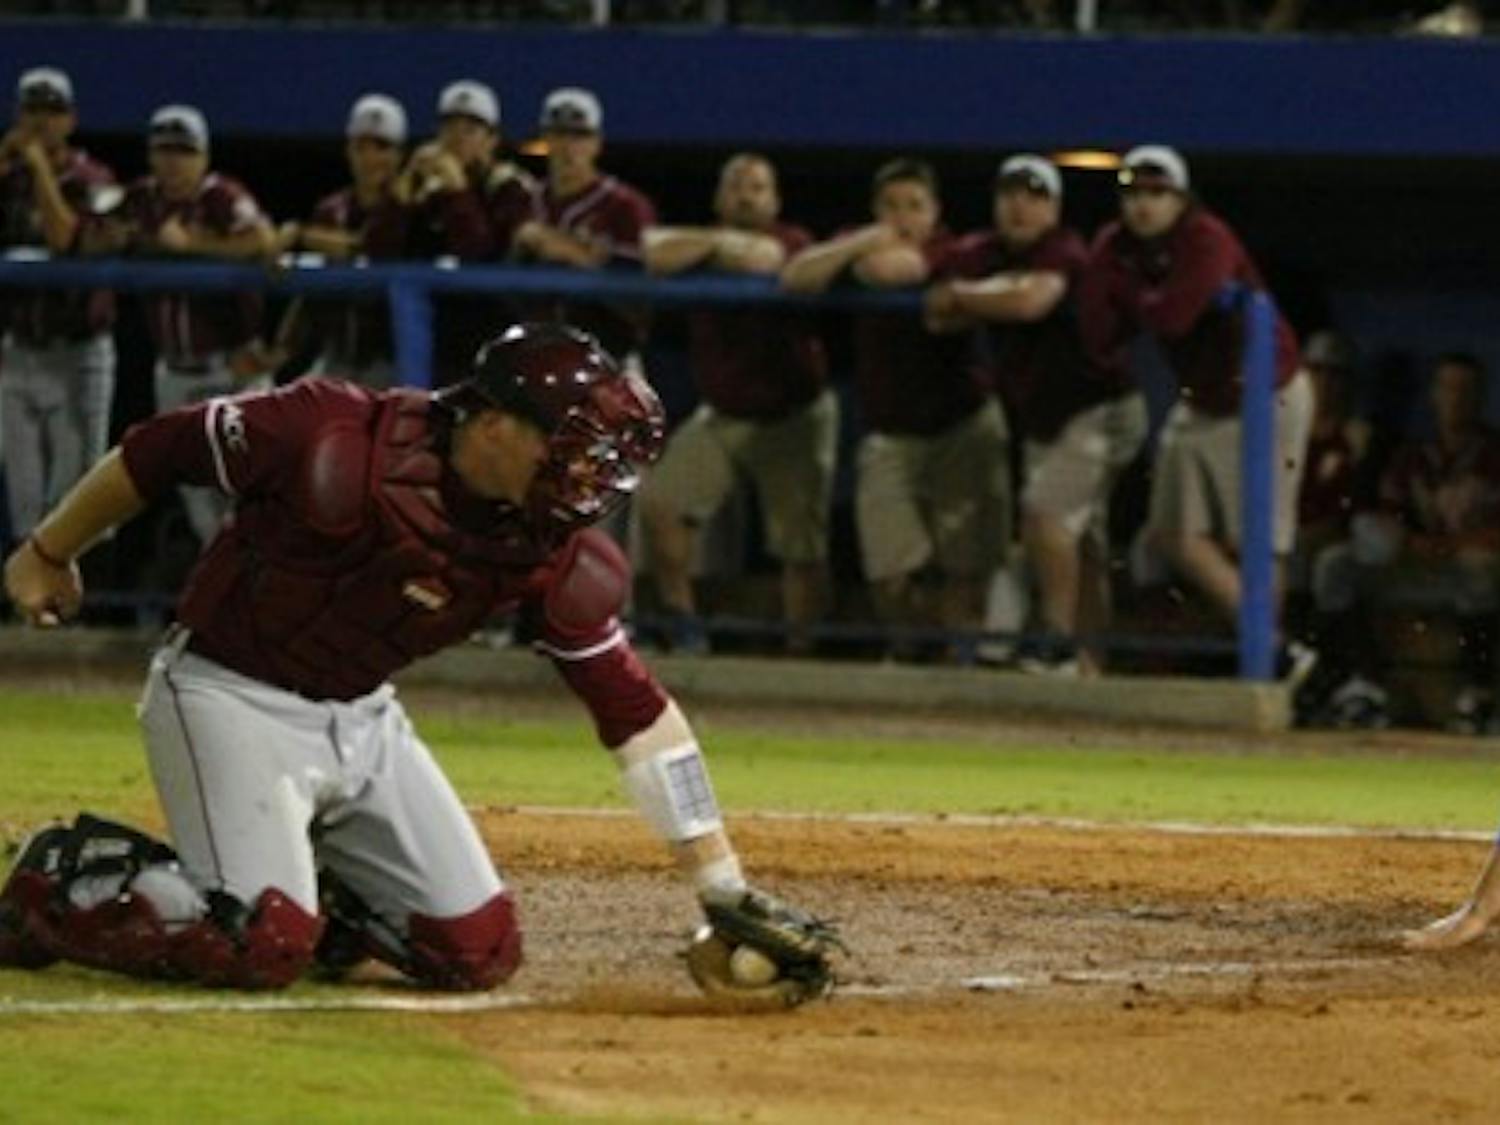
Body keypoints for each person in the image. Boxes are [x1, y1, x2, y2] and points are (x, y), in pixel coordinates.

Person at [0, 322, 838, 1002]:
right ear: (496, 423)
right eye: (576, 449)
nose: (592, 478)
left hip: (363, 715)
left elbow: (636, 712)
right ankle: (58, 882)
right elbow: (157, 449)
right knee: (259, 941)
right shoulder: (329, 434)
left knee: (476, 952)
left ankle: (322, 897)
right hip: (225, 691)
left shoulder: (548, 548)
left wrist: (721, 885)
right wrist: (49, 548)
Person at [1078, 145, 1312, 649]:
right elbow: (1097, 329)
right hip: (1204, 397)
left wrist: (1128, 295)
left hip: (1268, 392)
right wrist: (1133, 294)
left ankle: (1265, 662)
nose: (1143, 204)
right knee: (1170, 532)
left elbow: (1173, 315)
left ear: (1182, 199)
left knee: (1259, 542)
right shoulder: (1115, 243)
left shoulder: (1206, 236)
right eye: (1134, 192)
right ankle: (1275, 648)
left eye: (1157, 193)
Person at [927, 154, 1147, 676]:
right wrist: (973, 293)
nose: (1020, 206)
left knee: (1046, 519)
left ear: (1054, 207)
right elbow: (934, 314)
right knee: (1081, 543)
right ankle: (1091, 665)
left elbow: (1030, 301)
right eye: (1010, 194)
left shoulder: (1064, 248)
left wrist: (966, 295)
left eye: (1034, 195)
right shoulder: (983, 250)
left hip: (1101, 408)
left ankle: (1060, 645)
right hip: (1046, 416)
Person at [782, 158, 1009, 657]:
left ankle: (959, 680)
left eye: (913, 207)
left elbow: (897, 270)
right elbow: (797, 276)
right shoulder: (861, 239)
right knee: (890, 572)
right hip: (890, 431)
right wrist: (867, 240)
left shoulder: (956, 248)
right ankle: (911, 665)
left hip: (961, 423)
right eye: (890, 206)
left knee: (964, 569)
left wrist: (863, 254)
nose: (902, 218)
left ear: (936, 212)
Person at [638, 153, 831, 655]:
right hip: (724, 413)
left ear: (775, 200)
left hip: (794, 413)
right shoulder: (704, 241)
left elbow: (763, 258)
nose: (746, 195)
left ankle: (800, 651)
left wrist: (712, 247)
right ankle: (684, 627)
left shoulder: (794, 241)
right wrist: (717, 241)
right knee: (660, 503)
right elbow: (654, 252)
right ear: (719, 198)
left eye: (758, 187)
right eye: (736, 186)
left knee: (799, 545)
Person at [95, 104, 278, 546]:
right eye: (164, 150)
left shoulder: (221, 196)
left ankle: (266, 606)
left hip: (231, 369)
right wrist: (114, 238)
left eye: (184, 151)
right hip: (174, 371)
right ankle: (229, 609)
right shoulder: (139, 198)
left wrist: (192, 245)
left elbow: (263, 240)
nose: (173, 161)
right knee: (200, 507)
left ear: (203, 157)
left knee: (251, 497)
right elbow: (92, 232)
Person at [1297, 354, 1500, 732]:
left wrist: (1454, 544)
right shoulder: (1414, 456)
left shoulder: (1493, 454)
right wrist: (1410, 540)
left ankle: (1480, 691)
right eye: (1447, 388)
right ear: (1434, 395)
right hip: (1418, 565)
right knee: (1335, 564)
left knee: (1479, 565)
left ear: (1480, 396)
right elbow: (1387, 511)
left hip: (1471, 570)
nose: (1455, 398)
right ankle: (1361, 682)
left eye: (1465, 389)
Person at [0, 67, 118, 545]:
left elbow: (63, 236)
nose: (40, 123)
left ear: (70, 120)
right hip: (19, 348)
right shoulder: (7, 176)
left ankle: (77, 605)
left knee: (73, 493)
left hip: (78, 351)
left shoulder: (96, 178)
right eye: (32, 110)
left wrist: (39, 169)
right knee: (24, 495)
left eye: (52, 111)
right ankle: (36, 612)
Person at [393, 80, 537, 381]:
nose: (457, 139)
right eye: (449, 128)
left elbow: (478, 252)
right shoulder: (428, 189)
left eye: (470, 130)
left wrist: (457, 190)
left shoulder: (511, 188)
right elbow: (381, 252)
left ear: (491, 139)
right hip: (437, 338)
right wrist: (400, 199)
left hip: (499, 338)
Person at [273, 93, 413, 388]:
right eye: (361, 146)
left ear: (400, 154)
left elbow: (368, 246)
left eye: (382, 147)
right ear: (348, 149)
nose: (371, 158)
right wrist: (283, 345)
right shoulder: (331, 209)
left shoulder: (414, 208)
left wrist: (301, 234)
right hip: (337, 358)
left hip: (400, 361)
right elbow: (311, 291)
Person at [515, 88, 657, 372]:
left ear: (596, 144)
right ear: (546, 140)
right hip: (536, 361)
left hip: (608, 360)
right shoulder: (525, 200)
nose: (568, 147)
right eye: (559, 134)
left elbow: (646, 301)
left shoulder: (626, 206)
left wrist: (585, 261)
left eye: (579, 136)